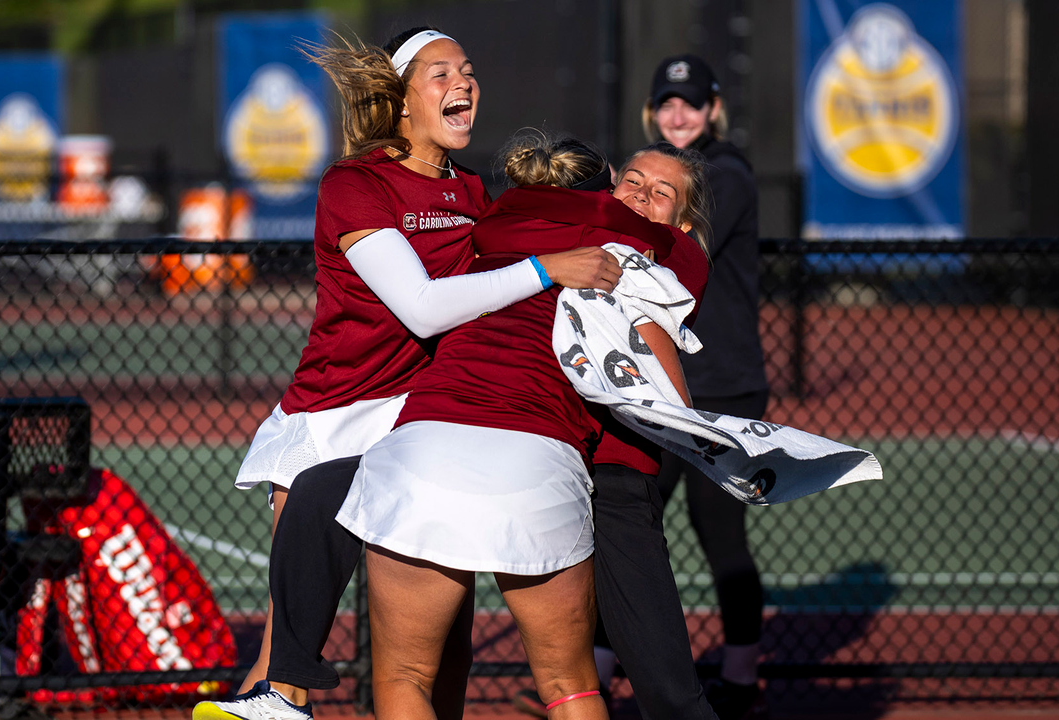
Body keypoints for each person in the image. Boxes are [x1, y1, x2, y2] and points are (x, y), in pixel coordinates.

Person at [194, 29, 618, 720]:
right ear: (398, 103)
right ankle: (278, 702)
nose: (464, 82)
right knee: (288, 649)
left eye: (470, 70)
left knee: (443, 642)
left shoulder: (475, 190)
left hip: (424, 421)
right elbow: (421, 308)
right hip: (335, 414)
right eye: (441, 72)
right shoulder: (354, 184)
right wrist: (547, 268)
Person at [334, 132, 711, 720]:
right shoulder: (642, 251)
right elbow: (674, 393)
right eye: (632, 185)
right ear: (605, 187)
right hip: (541, 459)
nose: (640, 198)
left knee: (405, 676)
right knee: (570, 683)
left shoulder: (488, 226)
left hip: (424, 445)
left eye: (661, 192)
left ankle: (280, 681)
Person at [637, 53, 769, 720]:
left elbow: (670, 251)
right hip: (663, 385)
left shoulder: (728, 176)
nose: (679, 114)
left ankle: (742, 677)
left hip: (724, 386)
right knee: (631, 524)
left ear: (714, 108)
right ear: (651, 112)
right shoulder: (657, 175)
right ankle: (600, 670)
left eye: (690, 102)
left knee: (721, 535)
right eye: (667, 103)